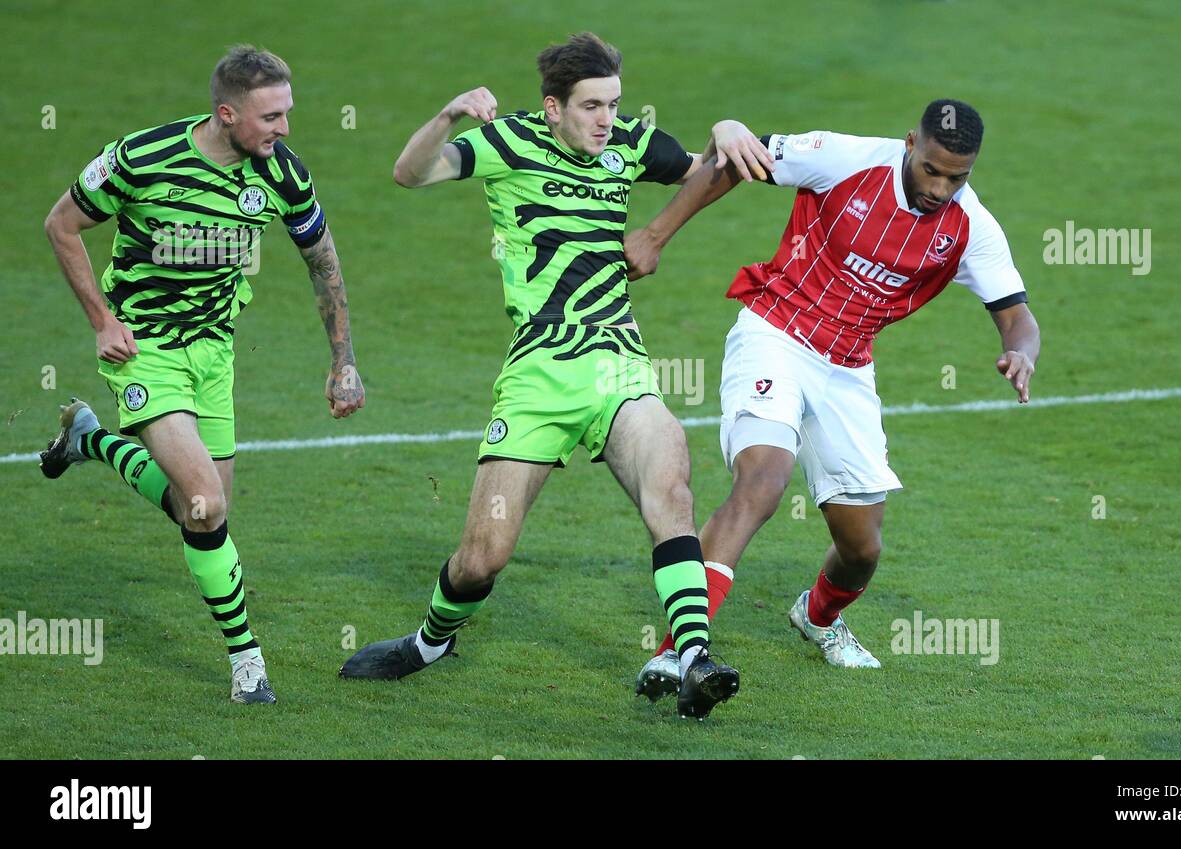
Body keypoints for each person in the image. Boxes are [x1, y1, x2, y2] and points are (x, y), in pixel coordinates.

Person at [339, 32, 769, 719]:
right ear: (552, 108)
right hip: (538, 375)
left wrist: (725, 131)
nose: (608, 119)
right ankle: (429, 642)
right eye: (593, 106)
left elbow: (718, 166)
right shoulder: (508, 143)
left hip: (617, 364)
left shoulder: (629, 142)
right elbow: (410, 172)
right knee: (483, 557)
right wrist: (449, 113)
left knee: (671, 486)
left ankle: (692, 656)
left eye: (615, 103)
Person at [624, 99, 1040, 694]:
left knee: (861, 547)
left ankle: (818, 619)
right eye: (931, 169)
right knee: (761, 484)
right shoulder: (843, 159)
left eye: (957, 177)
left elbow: (1019, 319)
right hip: (775, 330)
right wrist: (656, 234)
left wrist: (1022, 352)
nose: (940, 187)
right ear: (908, 144)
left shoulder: (971, 227)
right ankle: (677, 652)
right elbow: (734, 157)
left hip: (847, 369)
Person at [40, 44, 365, 704]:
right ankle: (248, 662)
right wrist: (103, 321)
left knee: (202, 512)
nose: (284, 129)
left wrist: (344, 361)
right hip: (145, 349)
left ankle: (91, 441)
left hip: (215, 353)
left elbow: (322, 262)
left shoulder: (282, 174)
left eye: (287, 113)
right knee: (206, 506)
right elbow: (61, 224)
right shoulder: (142, 156)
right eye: (271, 117)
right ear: (226, 113)